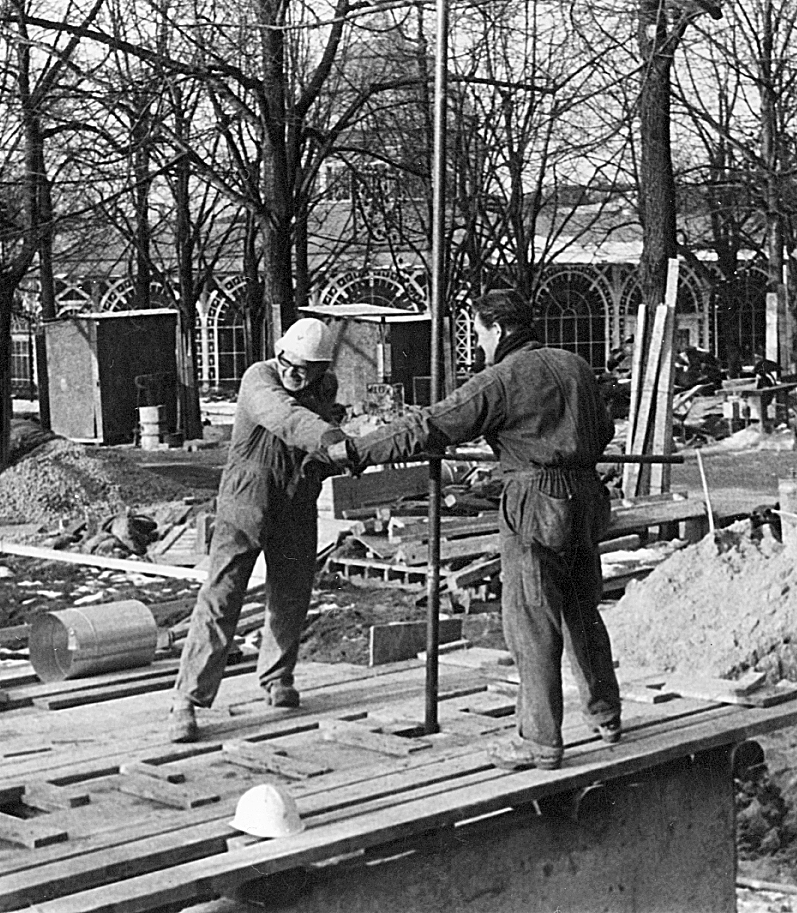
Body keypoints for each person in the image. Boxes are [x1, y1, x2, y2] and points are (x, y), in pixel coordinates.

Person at [327, 289, 621, 771]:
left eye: (479, 333)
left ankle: (540, 740)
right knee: (581, 612)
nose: (478, 344)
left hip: (535, 500)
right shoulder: (576, 366)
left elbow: (432, 425)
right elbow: (604, 429)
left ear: (499, 330)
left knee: (531, 620)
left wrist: (355, 452)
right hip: (588, 496)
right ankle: (605, 715)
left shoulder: (502, 379)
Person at [168, 317, 347, 743]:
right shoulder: (259, 378)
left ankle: (277, 677)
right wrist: (334, 439)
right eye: (288, 362)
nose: (292, 373)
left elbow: (316, 440)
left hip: (297, 501)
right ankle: (186, 701)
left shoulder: (325, 388)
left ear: (321, 369)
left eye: (304, 368)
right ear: (279, 352)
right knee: (222, 597)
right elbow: (285, 418)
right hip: (246, 504)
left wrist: (343, 454)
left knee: (291, 592)